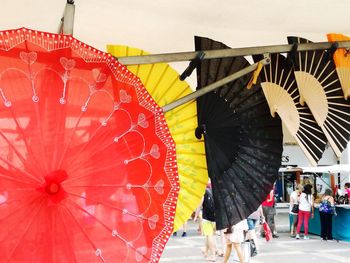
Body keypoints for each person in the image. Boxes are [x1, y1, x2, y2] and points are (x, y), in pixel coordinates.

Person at [194, 186, 216, 262]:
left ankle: (213, 256)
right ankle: (205, 251)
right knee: (210, 236)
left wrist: (195, 216)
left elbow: (199, 206)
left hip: (207, 218)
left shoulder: (204, 192)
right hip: (216, 218)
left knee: (209, 236)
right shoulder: (216, 191)